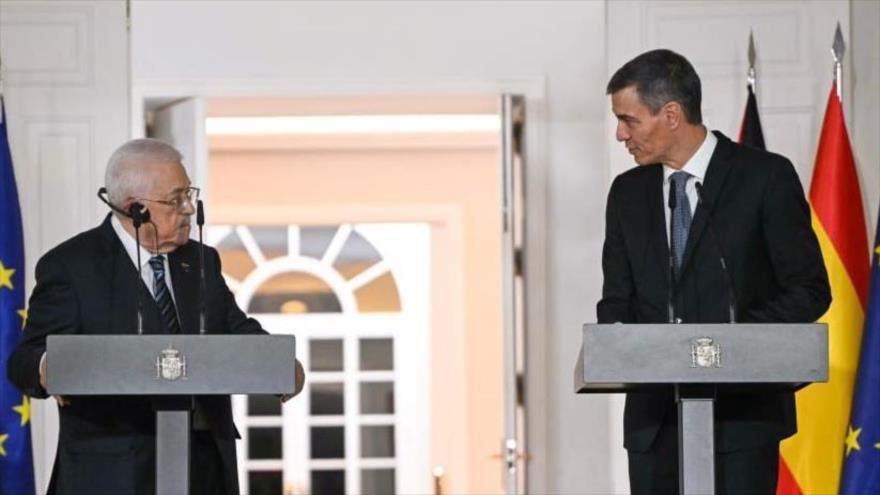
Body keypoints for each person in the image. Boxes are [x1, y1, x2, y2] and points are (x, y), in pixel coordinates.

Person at [6, 138, 305, 495]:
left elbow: (237, 331)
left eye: (189, 196)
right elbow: (24, 360)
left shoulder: (201, 261)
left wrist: (280, 365)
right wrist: (49, 367)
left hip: (204, 467)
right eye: (176, 199)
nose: (189, 210)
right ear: (136, 208)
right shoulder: (71, 265)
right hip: (112, 472)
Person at [597, 49, 831, 494]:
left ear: (670, 115)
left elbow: (809, 289)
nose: (619, 134)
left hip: (743, 422)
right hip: (654, 424)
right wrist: (617, 339)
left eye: (629, 120)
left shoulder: (764, 176)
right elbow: (616, 300)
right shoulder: (626, 193)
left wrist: (729, 342)